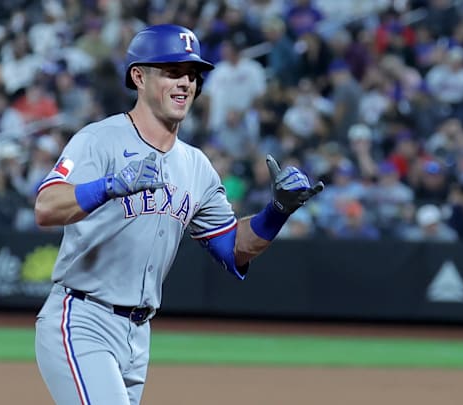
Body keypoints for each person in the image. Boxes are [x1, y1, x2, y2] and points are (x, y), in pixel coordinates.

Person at [32, 24, 324, 405]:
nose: (185, 82)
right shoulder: (99, 139)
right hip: (83, 318)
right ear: (138, 76)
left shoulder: (197, 166)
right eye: (172, 71)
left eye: (191, 74)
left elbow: (234, 248)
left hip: (138, 334)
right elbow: (46, 206)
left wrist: (277, 211)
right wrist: (108, 185)